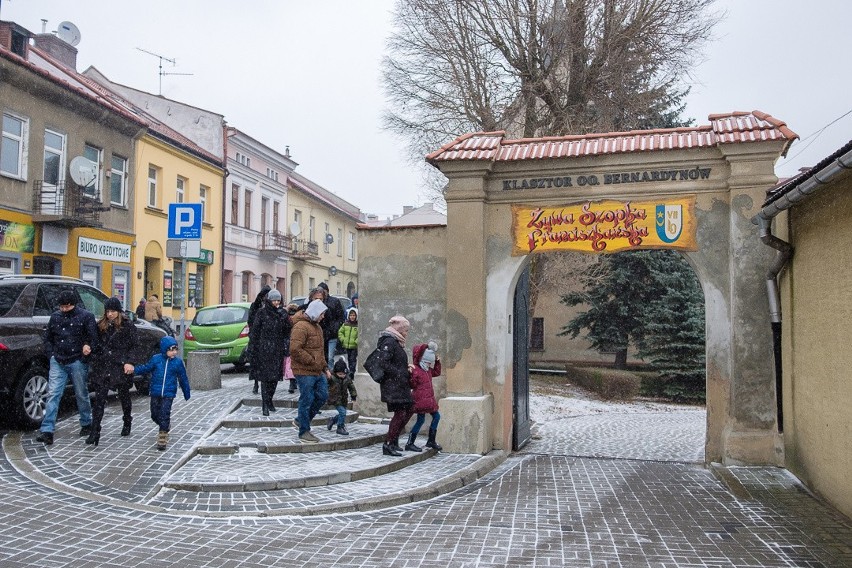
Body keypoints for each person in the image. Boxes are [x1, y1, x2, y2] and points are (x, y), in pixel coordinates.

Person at [36, 289, 99, 445]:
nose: (63, 310)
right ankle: (47, 430)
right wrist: (51, 354)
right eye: (61, 307)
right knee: (53, 394)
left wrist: (87, 347)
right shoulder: (55, 317)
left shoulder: (86, 317)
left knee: (81, 393)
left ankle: (86, 422)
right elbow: (48, 338)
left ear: (73, 305)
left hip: (77, 360)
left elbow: (93, 337)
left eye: (67, 307)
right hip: (58, 359)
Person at [88, 297, 138, 446]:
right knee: (99, 399)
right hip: (104, 366)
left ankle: (127, 420)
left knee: (124, 396)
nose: (110, 314)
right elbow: (95, 343)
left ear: (119, 312)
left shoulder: (128, 326)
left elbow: (134, 345)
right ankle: (95, 430)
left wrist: (129, 362)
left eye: (113, 311)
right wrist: (92, 352)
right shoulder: (101, 326)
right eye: (108, 311)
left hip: (120, 365)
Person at [128, 336, 190, 451]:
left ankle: (162, 436)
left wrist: (186, 391)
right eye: (171, 350)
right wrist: (135, 369)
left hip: (169, 393)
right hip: (155, 391)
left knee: (165, 413)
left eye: (175, 350)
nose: (174, 352)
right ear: (164, 349)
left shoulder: (177, 363)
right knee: (154, 414)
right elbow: (146, 368)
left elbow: (183, 378)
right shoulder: (156, 359)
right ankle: (164, 425)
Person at [289, 299, 331, 444]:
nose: (323, 317)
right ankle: (304, 432)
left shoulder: (317, 327)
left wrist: (325, 367)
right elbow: (295, 349)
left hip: (317, 370)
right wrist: (312, 361)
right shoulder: (300, 327)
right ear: (315, 312)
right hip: (304, 370)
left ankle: (301, 420)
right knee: (307, 399)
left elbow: (320, 351)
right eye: (322, 314)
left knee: (322, 395)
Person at [375, 315, 414, 456]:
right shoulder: (389, 341)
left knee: (408, 409)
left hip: (399, 383)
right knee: (402, 412)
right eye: (406, 330)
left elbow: (394, 361)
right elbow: (383, 363)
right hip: (393, 384)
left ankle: (394, 439)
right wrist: (399, 372)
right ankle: (388, 443)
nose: (407, 333)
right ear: (399, 329)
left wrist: (405, 367)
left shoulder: (395, 342)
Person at [247, 289, 290, 416]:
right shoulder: (261, 313)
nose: (276, 303)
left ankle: (270, 400)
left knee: (275, 378)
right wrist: (254, 348)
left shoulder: (280, 313)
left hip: (277, 349)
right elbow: (255, 332)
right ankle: (265, 404)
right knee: (265, 379)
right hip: (264, 350)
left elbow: (286, 331)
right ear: (269, 300)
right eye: (274, 300)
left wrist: (285, 318)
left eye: (278, 300)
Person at [407, 341, 443, 452]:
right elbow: (412, 384)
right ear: (422, 360)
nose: (429, 365)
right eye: (428, 363)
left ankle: (431, 440)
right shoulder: (417, 370)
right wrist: (410, 374)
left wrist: (437, 362)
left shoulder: (428, 371)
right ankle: (410, 443)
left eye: (430, 363)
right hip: (420, 400)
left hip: (429, 400)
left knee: (436, 417)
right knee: (420, 420)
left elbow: (437, 372)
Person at [246, 285, 272, 394]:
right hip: (256, 338)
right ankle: (256, 383)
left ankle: (267, 384)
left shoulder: (271, 307)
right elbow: (250, 321)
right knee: (256, 362)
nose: (266, 297)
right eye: (265, 295)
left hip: (268, 338)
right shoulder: (255, 306)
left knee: (267, 363)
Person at [326, 358, 357, 436]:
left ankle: (332, 420)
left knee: (342, 413)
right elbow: (325, 386)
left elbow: (351, 387)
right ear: (336, 373)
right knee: (343, 412)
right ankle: (340, 427)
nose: (342, 376)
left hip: (343, 398)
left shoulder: (347, 378)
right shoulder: (332, 378)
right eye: (340, 374)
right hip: (335, 398)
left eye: (343, 374)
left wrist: (353, 396)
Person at [317, 282, 345, 365]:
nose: (320, 292)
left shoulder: (334, 301)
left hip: (332, 334)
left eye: (322, 291)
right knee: (322, 357)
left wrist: (335, 327)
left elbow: (340, 317)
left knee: (330, 358)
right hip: (321, 333)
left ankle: (330, 375)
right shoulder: (318, 301)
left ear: (327, 291)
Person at [337, 308, 359, 380]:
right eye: (351, 315)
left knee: (353, 359)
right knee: (349, 358)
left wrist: (356, 341)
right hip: (347, 345)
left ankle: (352, 372)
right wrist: (343, 339)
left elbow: (360, 335)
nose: (352, 317)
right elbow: (340, 332)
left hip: (354, 346)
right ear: (348, 316)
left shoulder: (358, 325)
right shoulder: (345, 324)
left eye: (354, 315)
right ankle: (350, 371)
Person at [285, 303, 299, 393]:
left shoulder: (297, 322)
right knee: (290, 364)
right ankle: (292, 382)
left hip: (294, 344)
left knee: (292, 364)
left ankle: (293, 382)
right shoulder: (287, 321)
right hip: (290, 344)